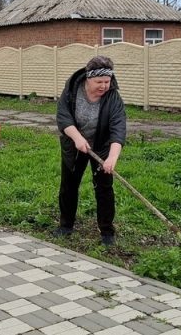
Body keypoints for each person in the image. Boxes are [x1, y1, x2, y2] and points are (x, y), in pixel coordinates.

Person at [54, 55, 127, 246]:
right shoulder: (71, 90)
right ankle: (66, 225)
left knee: (104, 188)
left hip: (101, 146)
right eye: (99, 82)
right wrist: (77, 138)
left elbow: (118, 128)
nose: (104, 86)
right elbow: (63, 118)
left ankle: (107, 232)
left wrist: (112, 157)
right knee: (69, 186)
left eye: (107, 81)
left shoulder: (113, 97)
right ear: (88, 78)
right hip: (75, 146)